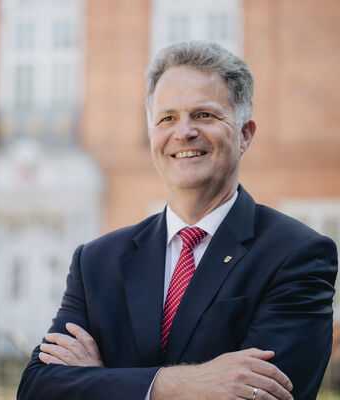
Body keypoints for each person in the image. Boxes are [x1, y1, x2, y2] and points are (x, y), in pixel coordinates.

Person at [17, 41, 337, 400]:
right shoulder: (95, 261)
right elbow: (37, 389)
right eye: (167, 118)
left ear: (245, 135)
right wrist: (180, 385)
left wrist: (99, 381)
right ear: (152, 133)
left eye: (204, 115)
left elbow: (262, 396)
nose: (183, 131)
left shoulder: (297, 255)